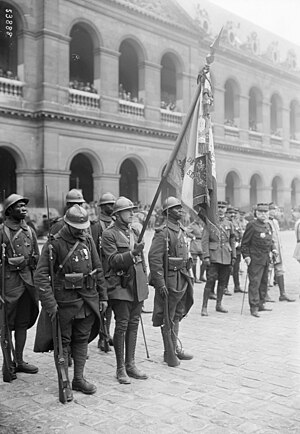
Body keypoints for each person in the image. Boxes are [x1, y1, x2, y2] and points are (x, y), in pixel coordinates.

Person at [34, 205, 108, 399]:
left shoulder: (88, 240)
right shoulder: (54, 244)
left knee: (82, 339)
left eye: (83, 226)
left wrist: (103, 296)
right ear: (67, 224)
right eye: (78, 227)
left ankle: (78, 379)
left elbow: (98, 269)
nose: (82, 230)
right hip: (64, 303)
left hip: (87, 300)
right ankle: (64, 382)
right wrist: (50, 304)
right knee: (63, 342)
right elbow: (41, 276)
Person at [101, 197, 149, 384]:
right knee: (121, 325)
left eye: (132, 210)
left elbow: (142, 260)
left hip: (136, 283)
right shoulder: (109, 234)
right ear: (117, 215)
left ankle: (131, 364)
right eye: (127, 211)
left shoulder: (135, 232)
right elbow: (112, 260)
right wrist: (133, 253)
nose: (131, 213)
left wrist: (144, 278)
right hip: (119, 285)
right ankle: (120, 367)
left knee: (134, 324)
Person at [148, 196, 194, 366]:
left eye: (180, 208)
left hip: (181, 277)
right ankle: (169, 354)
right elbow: (154, 258)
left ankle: (174, 348)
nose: (180, 211)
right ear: (168, 212)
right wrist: (160, 283)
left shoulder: (180, 229)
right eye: (176, 208)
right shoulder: (163, 232)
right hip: (169, 280)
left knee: (177, 314)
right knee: (168, 316)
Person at [0, 194, 40, 376]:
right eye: (19, 206)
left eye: (25, 205)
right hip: (9, 285)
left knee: (22, 324)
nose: (23, 208)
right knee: (6, 325)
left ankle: (19, 359)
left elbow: (37, 259)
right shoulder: (2, 231)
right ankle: (8, 364)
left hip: (27, 284)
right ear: (9, 210)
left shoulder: (30, 231)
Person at [241, 203, 278, 318]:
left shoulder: (268, 225)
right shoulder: (252, 225)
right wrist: (246, 256)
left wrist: (274, 249)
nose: (263, 215)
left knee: (264, 282)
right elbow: (245, 243)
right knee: (255, 283)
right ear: (256, 213)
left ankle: (261, 303)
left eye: (265, 212)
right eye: (261, 212)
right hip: (255, 259)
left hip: (266, 258)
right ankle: (254, 306)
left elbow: (270, 240)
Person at [201, 201, 236, 316]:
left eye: (223, 207)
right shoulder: (210, 223)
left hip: (226, 255)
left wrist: (234, 255)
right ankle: (204, 307)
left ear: (226, 209)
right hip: (213, 256)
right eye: (219, 207)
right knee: (210, 281)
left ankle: (219, 304)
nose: (221, 210)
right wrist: (206, 255)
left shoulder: (229, 224)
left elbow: (232, 240)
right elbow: (205, 240)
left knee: (223, 281)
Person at [91, 192, 116, 351]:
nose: (112, 207)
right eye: (109, 204)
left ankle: (106, 332)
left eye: (113, 204)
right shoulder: (95, 225)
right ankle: (102, 336)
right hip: (101, 272)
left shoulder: (115, 222)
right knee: (103, 305)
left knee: (111, 305)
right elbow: (93, 249)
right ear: (101, 206)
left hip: (114, 270)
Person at [268, 203, 295, 302]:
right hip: (270, 251)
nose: (275, 212)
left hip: (278, 251)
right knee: (267, 272)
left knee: (280, 271)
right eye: (273, 209)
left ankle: (282, 294)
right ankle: (265, 294)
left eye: (276, 210)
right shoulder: (266, 222)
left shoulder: (275, 222)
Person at [223, 207, 245, 295]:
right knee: (228, 269)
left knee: (236, 269)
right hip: (228, 249)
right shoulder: (225, 223)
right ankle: (225, 287)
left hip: (237, 249)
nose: (232, 215)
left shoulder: (237, 223)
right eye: (230, 213)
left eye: (234, 213)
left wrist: (240, 242)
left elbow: (240, 234)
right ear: (226, 213)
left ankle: (237, 286)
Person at [186, 219, 204, 283]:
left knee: (204, 261)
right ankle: (195, 278)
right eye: (197, 217)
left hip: (202, 244)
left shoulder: (202, 224)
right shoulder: (192, 225)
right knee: (194, 262)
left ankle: (201, 276)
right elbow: (187, 231)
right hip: (195, 244)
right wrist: (192, 236)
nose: (199, 219)